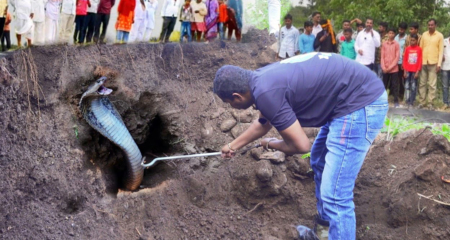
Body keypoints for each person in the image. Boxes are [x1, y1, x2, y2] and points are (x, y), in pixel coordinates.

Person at [213, 52, 388, 240]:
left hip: (360, 103)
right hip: (347, 99)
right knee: (320, 161)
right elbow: (263, 123)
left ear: (236, 96)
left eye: (229, 102)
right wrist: (232, 146)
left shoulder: (265, 92)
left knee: (335, 194)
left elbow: (302, 145)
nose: (232, 106)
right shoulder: (259, 80)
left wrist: (272, 143)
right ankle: (323, 235)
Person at [419, 19, 444, 110]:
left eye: (432, 25)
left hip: (434, 62)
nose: (430, 26)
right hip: (423, 62)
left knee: (432, 84)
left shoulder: (439, 36)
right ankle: (422, 102)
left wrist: (439, 64)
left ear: (435, 25)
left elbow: (441, 51)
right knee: (422, 83)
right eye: (429, 25)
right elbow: (420, 48)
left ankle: (430, 103)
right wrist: (419, 62)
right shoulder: (424, 35)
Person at [381, 28, 400, 107]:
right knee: (384, 85)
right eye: (389, 33)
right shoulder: (384, 44)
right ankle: (382, 100)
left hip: (393, 69)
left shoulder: (396, 44)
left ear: (394, 34)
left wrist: (390, 67)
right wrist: (383, 67)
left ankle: (396, 101)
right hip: (385, 69)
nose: (391, 35)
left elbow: (397, 57)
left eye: (392, 33)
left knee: (394, 85)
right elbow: (382, 56)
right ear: (387, 34)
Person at [403, 34, 422, 108]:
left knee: (413, 86)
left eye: (414, 40)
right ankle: (407, 100)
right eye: (411, 40)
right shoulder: (407, 49)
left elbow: (420, 61)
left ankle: (412, 101)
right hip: (408, 70)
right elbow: (405, 60)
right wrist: (404, 71)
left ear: (417, 41)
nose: (412, 42)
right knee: (407, 86)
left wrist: (418, 71)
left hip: (415, 70)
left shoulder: (419, 49)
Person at [395, 22, 409, 101]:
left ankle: (402, 95)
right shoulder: (396, 37)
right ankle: (395, 95)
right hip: (395, 62)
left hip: (403, 62)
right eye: (399, 29)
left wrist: (404, 62)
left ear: (405, 30)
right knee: (396, 80)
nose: (400, 30)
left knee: (403, 80)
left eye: (402, 29)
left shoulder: (407, 38)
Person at [442, 33, 450, 109]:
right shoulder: (444, 41)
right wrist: (441, 55)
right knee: (445, 86)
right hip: (445, 66)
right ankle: (445, 103)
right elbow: (440, 50)